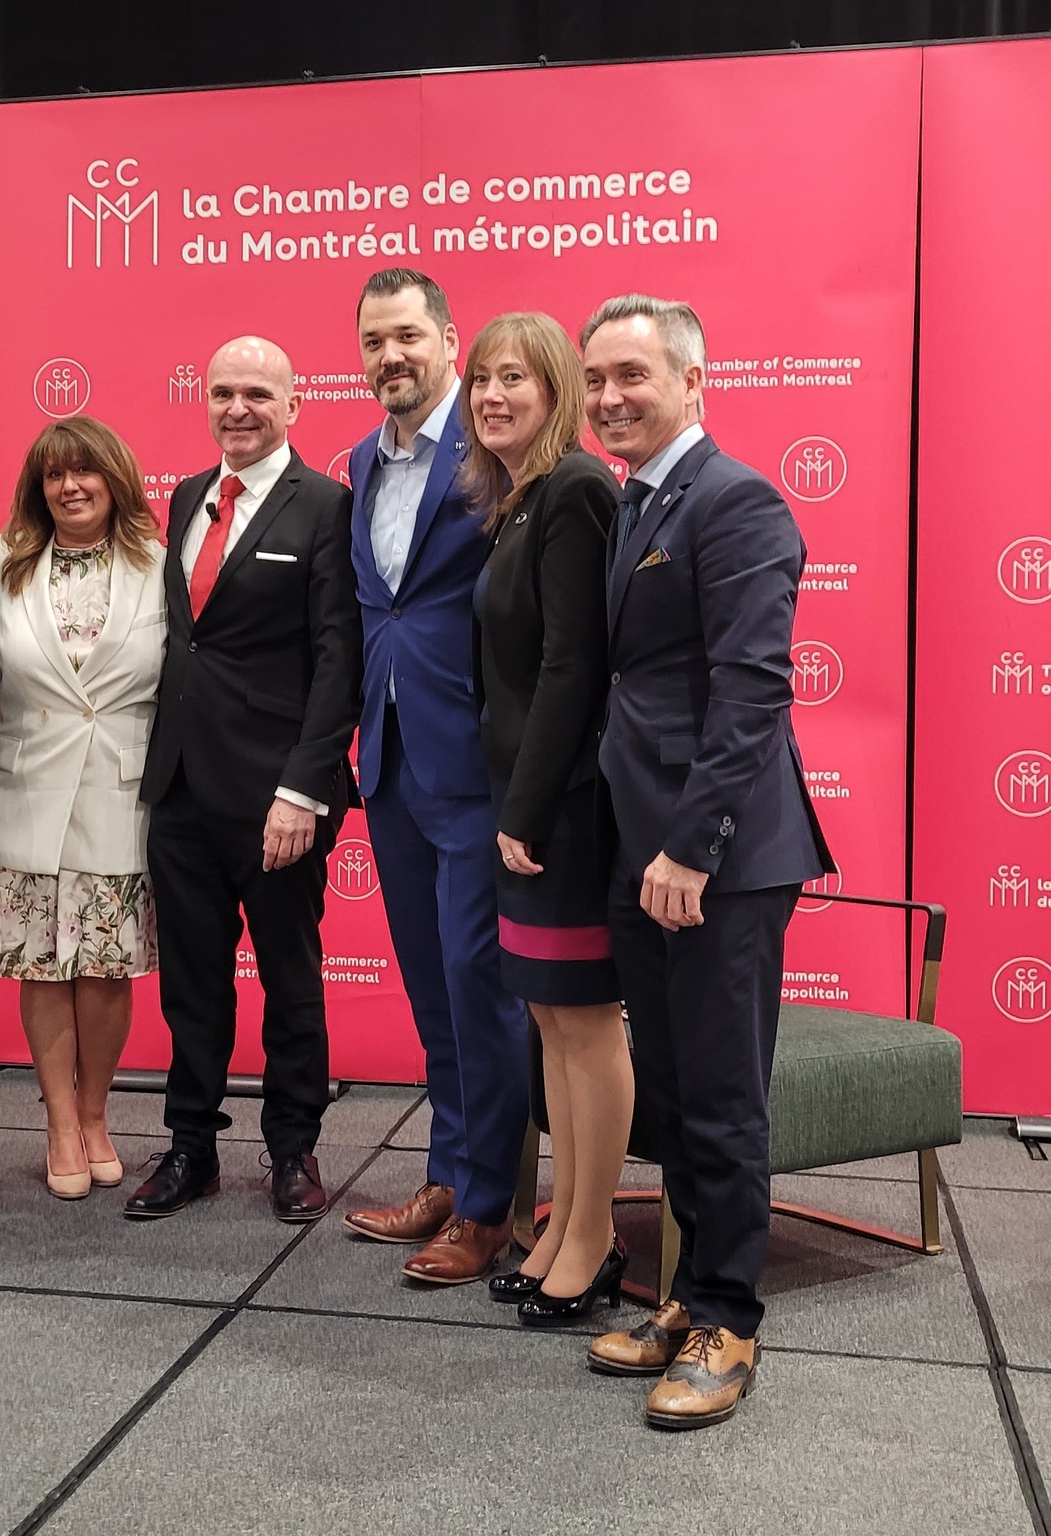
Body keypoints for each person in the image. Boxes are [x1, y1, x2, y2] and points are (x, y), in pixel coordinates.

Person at [579, 295, 833, 1429]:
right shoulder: (638, 500)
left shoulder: (737, 502)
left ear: (692, 381)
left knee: (723, 1095)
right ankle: (689, 1295)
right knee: (675, 1092)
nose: (608, 397)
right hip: (642, 847)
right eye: (595, 379)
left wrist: (690, 847)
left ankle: (730, 1319)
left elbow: (752, 691)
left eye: (631, 375)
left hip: (712, 856)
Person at [128, 335, 361, 1223]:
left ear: (294, 405)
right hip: (182, 789)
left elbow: (338, 660)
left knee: (291, 981)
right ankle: (191, 1147)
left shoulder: (327, 506)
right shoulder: (188, 496)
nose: (238, 408)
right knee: (191, 985)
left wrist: (304, 790)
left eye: (258, 393)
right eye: (224, 391)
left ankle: (293, 1149)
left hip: (278, 800)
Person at [335, 269, 529, 1285]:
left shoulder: (496, 444)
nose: (390, 356)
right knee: (431, 988)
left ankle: (493, 1207)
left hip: (479, 761)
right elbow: (384, 609)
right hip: (392, 759)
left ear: (450, 339)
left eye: (407, 335)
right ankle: (449, 1175)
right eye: (374, 341)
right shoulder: (362, 459)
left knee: (479, 985)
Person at [457, 313, 631, 1326]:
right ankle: (565, 1220)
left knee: (584, 1020)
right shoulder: (517, 500)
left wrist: (523, 807)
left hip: (563, 805)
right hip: (522, 800)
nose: (491, 395)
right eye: (481, 377)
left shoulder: (574, 489)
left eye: (513, 377)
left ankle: (594, 1233)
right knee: (549, 1021)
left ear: (556, 389)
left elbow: (575, 663)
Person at [0, 416, 167, 1199]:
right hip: (24, 791)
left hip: (121, 792)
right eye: (54, 474)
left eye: (85, 470)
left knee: (107, 968)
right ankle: (58, 1122)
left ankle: (95, 1116)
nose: (70, 486)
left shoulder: (161, 565)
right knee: (41, 965)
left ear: (115, 479)